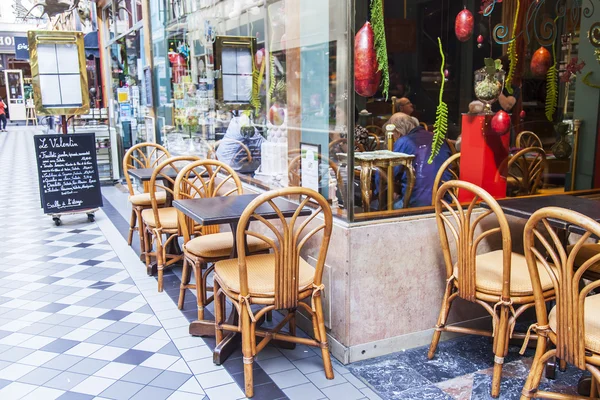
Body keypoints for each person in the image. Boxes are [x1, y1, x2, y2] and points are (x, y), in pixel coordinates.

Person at [382, 112, 453, 208]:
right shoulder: (438, 139)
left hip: (416, 204)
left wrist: (380, 192)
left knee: (382, 204)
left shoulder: (404, 142)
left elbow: (386, 172)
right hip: (445, 202)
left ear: (397, 132)